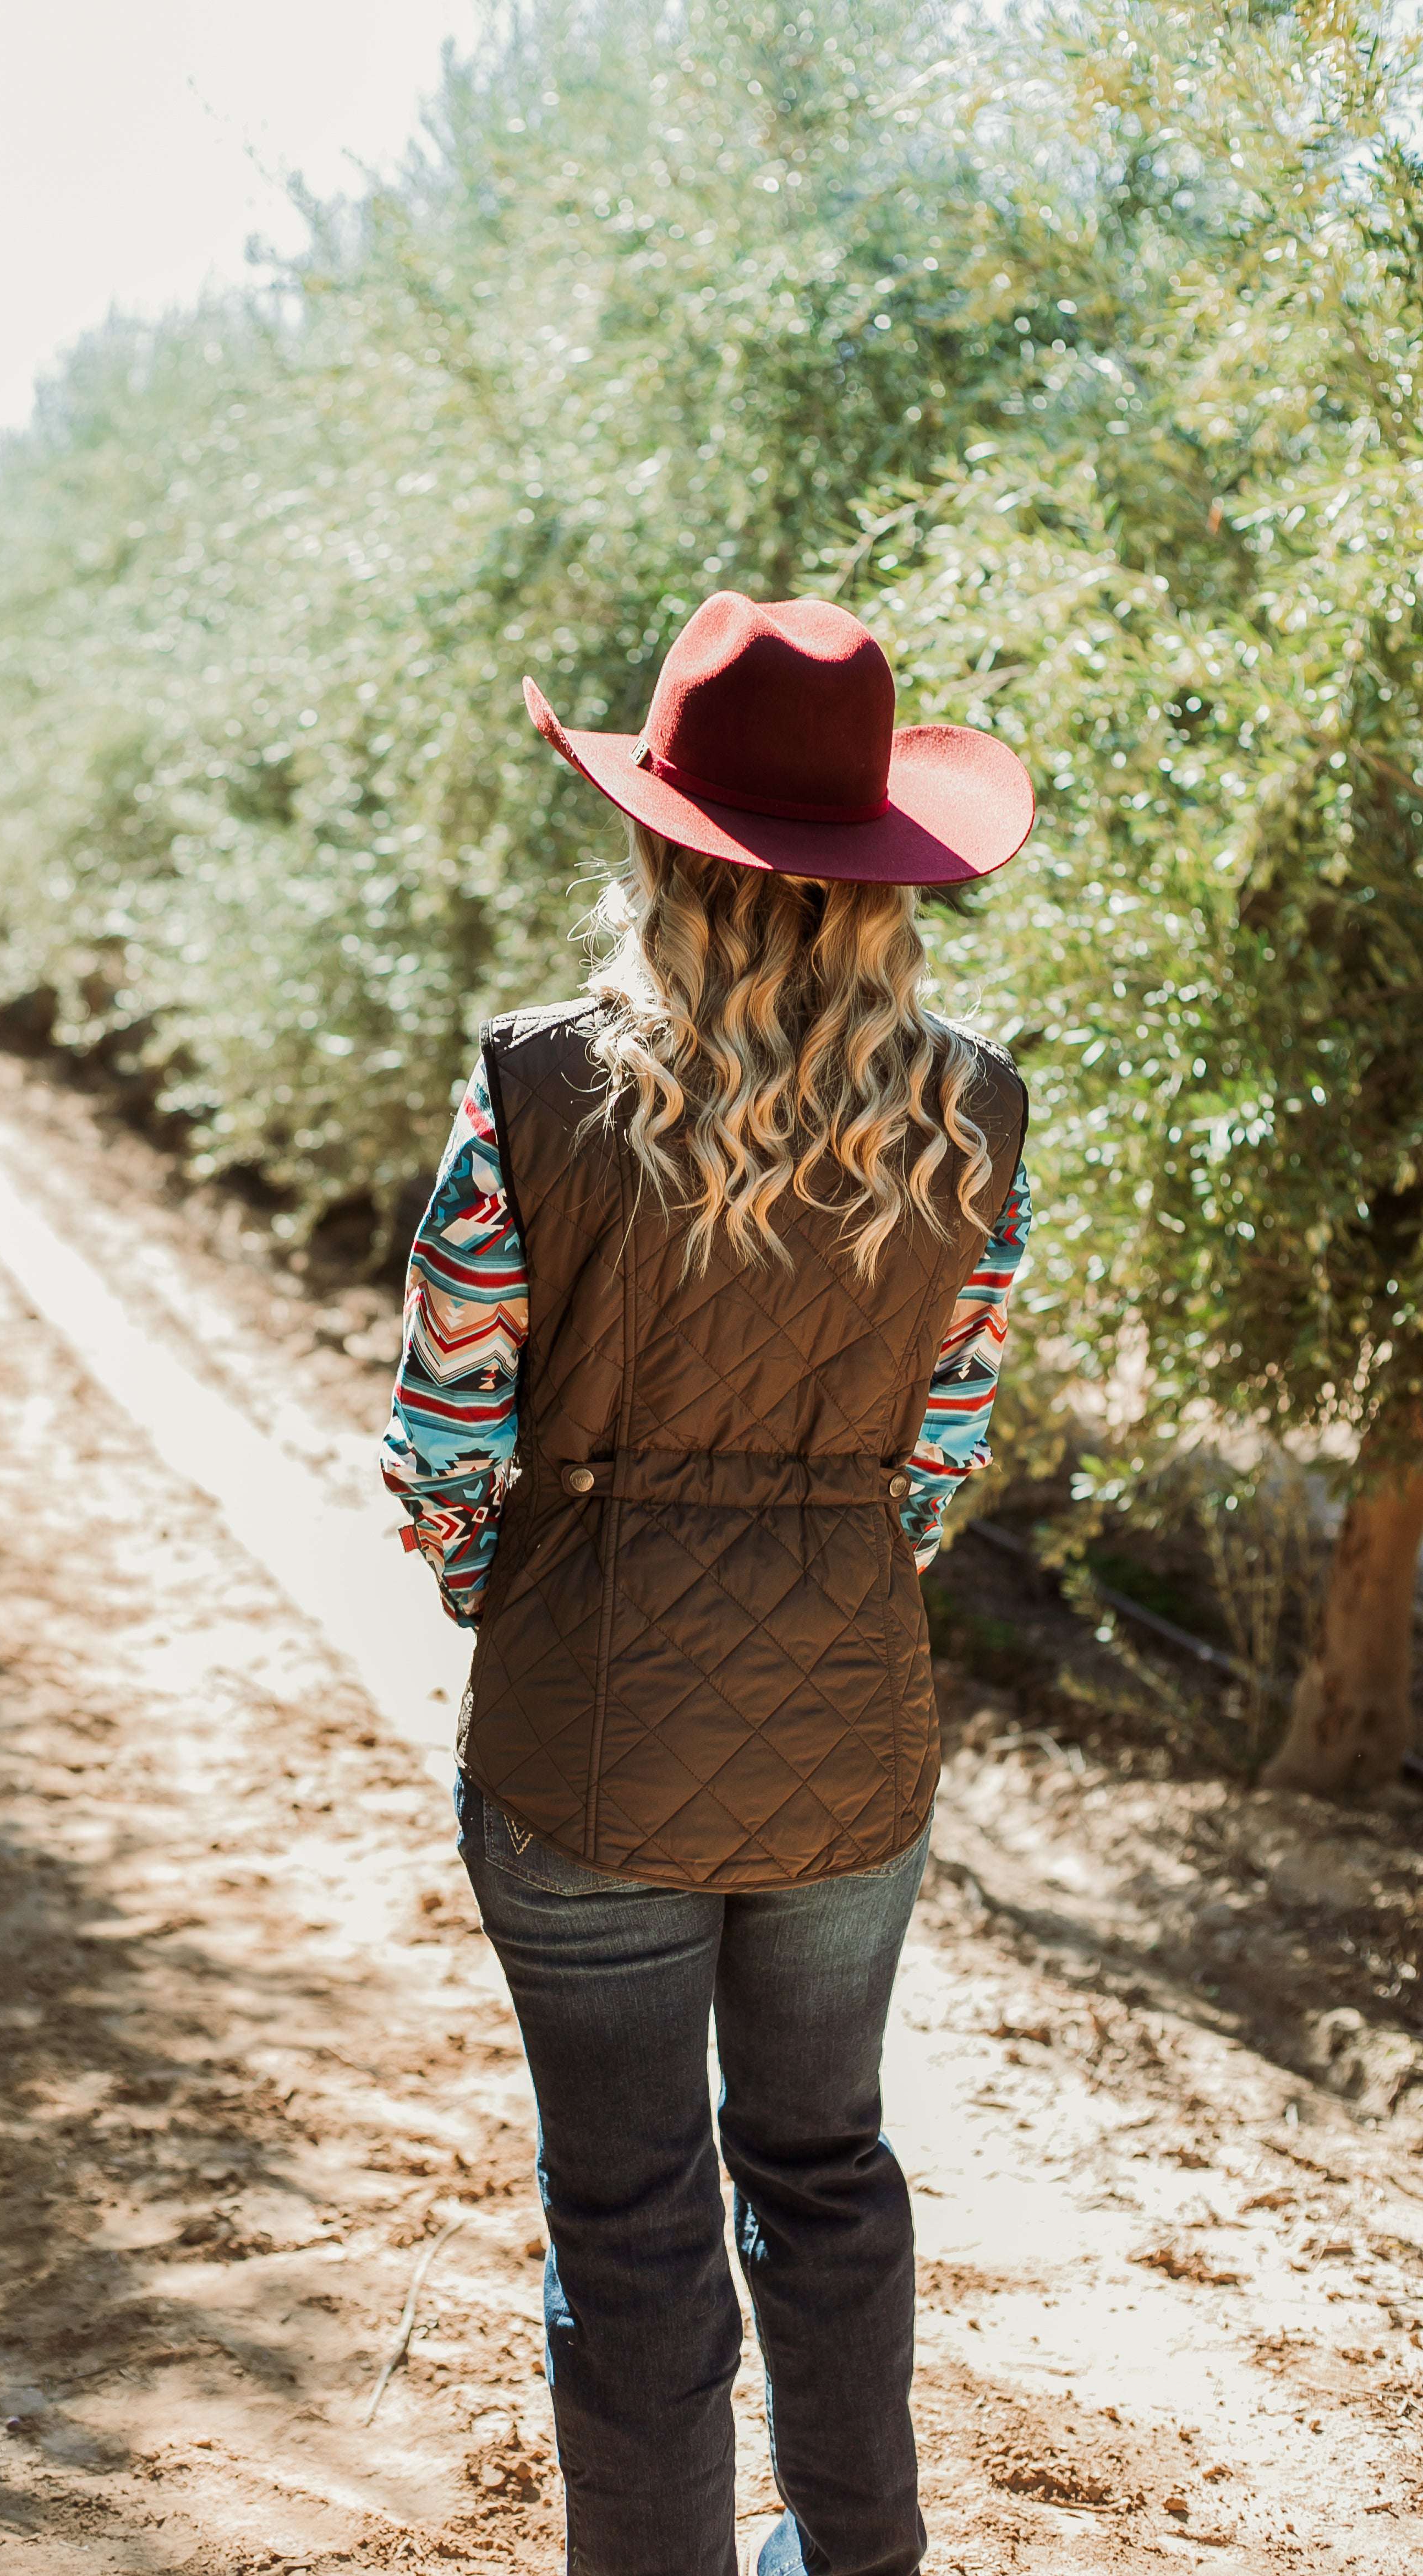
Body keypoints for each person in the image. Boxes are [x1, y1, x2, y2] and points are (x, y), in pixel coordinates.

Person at [380, 591, 1033, 2576]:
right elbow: (942, 1450)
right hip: (851, 1727)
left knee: (633, 2208)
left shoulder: (540, 1093)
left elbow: (443, 1439)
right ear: (880, 873)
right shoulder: (974, 1115)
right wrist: (827, 1564)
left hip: (588, 1735)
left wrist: (527, 1592)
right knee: (828, 2168)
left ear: (659, 841)